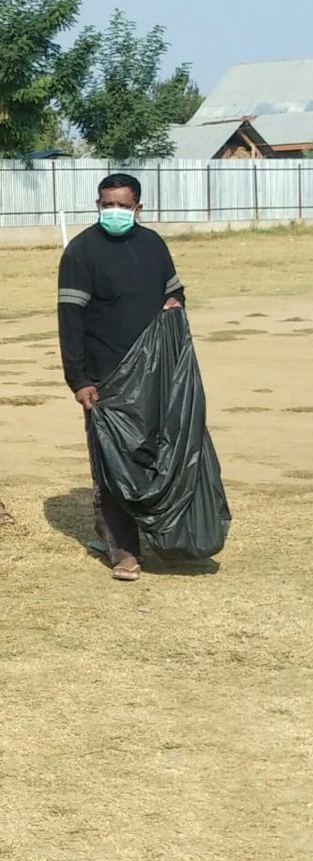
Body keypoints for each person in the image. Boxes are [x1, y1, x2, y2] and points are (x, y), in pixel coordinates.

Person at [57, 174, 185, 581]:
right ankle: (123, 551)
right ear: (97, 205)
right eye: (106, 204)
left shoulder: (153, 246)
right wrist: (79, 378)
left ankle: (161, 534)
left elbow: (176, 292)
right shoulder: (81, 252)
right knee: (111, 466)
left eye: (122, 205)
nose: (113, 211)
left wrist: (174, 301)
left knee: (153, 456)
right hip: (105, 379)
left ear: (138, 208)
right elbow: (69, 320)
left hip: (153, 375)